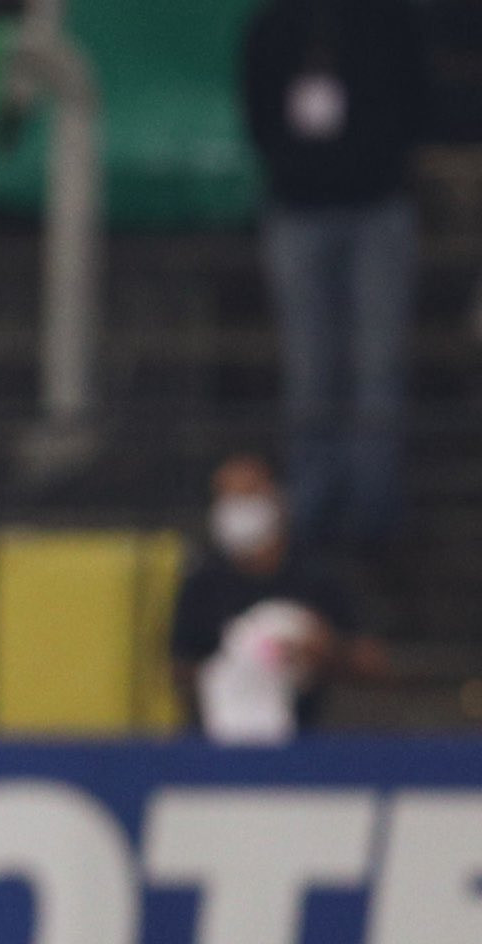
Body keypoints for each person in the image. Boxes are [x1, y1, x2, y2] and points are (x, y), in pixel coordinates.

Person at [240, 0, 430, 558]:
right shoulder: (274, 25)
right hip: (299, 209)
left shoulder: (389, 19)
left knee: (378, 365)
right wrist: (295, 166)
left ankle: (374, 511)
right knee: (309, 368)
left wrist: (378, 158)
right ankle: (313, 509)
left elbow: (418, 101)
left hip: (377, 206)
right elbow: (258, 110)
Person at [170, 452, 383, 743]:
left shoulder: (316, 577)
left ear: (275, 499)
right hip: (223, 741)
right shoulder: (203, 582)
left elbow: (372, 662)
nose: (235, 509)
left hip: (306, 741)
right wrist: (235, 669)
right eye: (225, 498)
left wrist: (327, 650)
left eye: (246, 496)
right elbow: (180, 662)